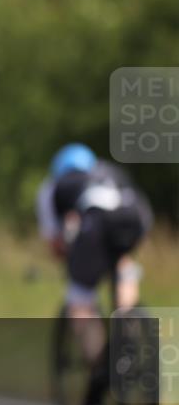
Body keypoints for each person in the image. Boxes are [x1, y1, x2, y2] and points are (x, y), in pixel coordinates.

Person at [35, 143, 153, 368]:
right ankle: (128, 336)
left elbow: (57, 243)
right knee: (123, 269)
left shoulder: (52, 187)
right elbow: (143, 212)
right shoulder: (111, 172)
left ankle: (102, 363)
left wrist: (73, 262)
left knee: (80, 298)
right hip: (133, 219)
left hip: (96, 226)